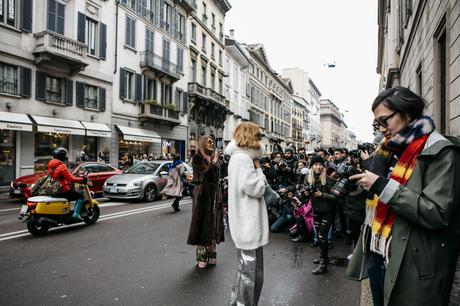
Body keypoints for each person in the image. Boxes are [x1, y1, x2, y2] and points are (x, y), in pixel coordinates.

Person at [346, 87, 460, 306]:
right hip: (379, 254)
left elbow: (436, 213)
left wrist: (381, 185)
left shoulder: (442, 152)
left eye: (384, 121)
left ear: (407, 114)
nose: (381, 130)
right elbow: (380, 202)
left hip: (412, 265)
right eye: (376, 124)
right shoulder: (388, 151)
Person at [225, 122, 268, 306]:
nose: (259, 140)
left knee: (248, 273)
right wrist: (259, 169)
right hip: (248, 224)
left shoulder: (239, 157)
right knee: (250, 275)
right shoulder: (243, 159)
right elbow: (257, 188)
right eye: (257, 136)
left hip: (246, 223)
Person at [187, 135, 225, 269]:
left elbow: (216, 177)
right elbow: (204, 176)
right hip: (202, 194)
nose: (212, 144)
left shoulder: (215, 158)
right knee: (202, 224)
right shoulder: (197, 158)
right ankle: (202, 258)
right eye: (209, 142)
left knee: (214, 225)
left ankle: (212, 255)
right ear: (203, 143)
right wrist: (214, 162)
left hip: (215, 194)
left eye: (213, 142)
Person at [307, 155, 337, 275]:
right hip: (317, 211)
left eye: (320, 164)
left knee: (322, 236)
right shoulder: (308, 178)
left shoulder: (329, 179)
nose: (318, 167)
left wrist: (322, 195)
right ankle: (322, 257)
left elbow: (336, 198)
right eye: (315, 164)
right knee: (319, 236)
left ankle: (323, 264)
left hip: (328, 211)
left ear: (323, 166)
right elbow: (305, 193)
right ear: (312, 166)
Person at [48, 148, 90, 220]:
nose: (67, 157)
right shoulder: (62, 166)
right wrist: (82, 179)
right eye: (65, 155)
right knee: (80, 196)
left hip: (54, 189)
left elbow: (60, 176)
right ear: (63, 156)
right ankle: (76, 214)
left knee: (70, 196)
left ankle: (66, 212)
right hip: (62, 189)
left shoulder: (51, 165)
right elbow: (71, 179)